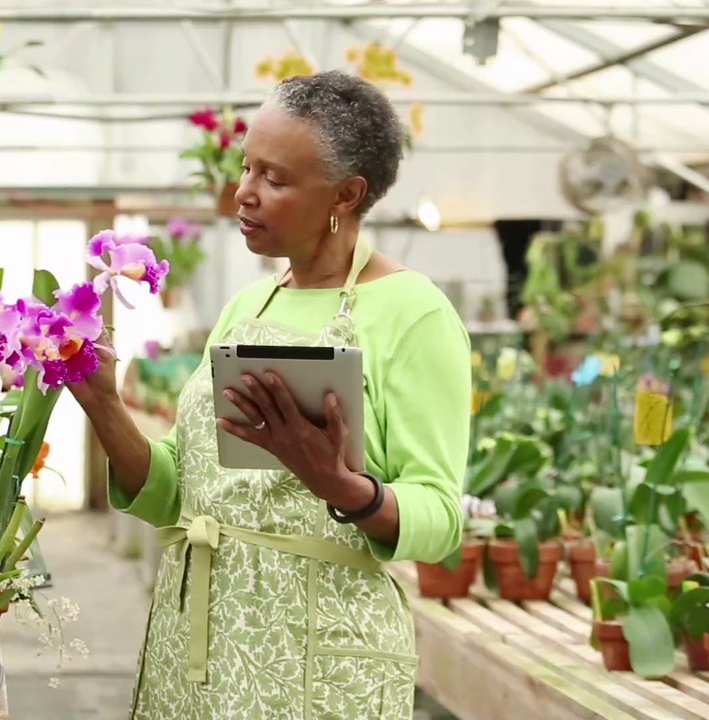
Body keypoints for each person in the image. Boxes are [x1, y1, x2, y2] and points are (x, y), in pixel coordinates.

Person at [68, 70, 471, 720]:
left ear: (347, 194)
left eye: (275, 179)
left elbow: (441, 516)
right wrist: (103, 406)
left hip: (316, 656)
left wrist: (344, 487)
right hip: (198, 642)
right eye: (247, 168)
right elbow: (178, 491)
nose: (244, 193)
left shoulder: (412, 312)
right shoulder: (247, 306)